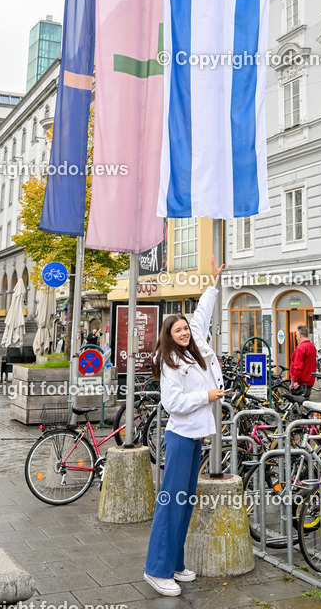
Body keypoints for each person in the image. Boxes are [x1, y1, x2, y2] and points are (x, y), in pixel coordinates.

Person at [144, 256, 226, 598]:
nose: (184, 332)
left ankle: (175, 563)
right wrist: (206, 396)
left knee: (185, 501)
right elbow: (173, 403)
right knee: (170, 502)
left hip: (196, 436)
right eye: (178, 330)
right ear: (168, 335)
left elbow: (202, 313)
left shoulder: (195, 347)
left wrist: (213, 283)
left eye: (185, 329)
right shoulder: (170, 361)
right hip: (179, 436)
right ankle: (156, 570)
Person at [289, 323, 317, 399]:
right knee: (306, 401)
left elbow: (298, 366)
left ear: (300, 336)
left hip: (301, 382)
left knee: (298, 402)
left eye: (296, 336)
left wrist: (295, 381)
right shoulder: (312, 347)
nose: (296, 338)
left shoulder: (300, 348)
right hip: (310, 380)